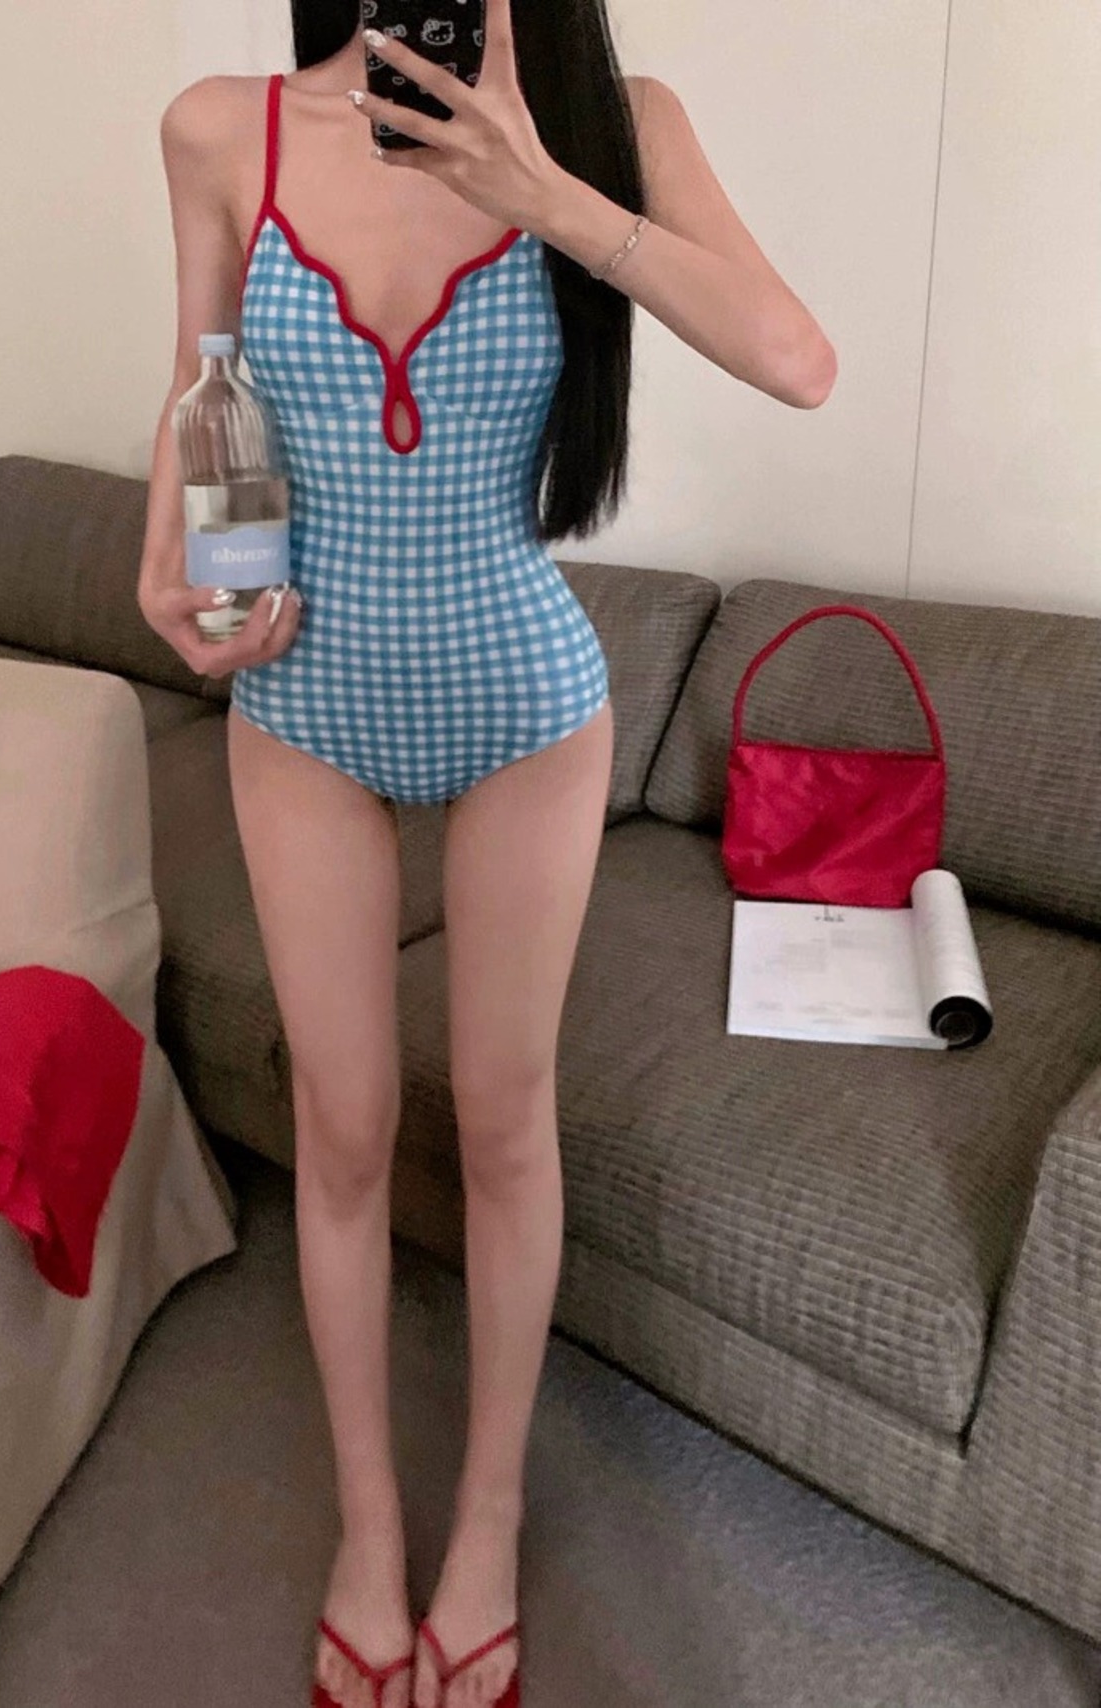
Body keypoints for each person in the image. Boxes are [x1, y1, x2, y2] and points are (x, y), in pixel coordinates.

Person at [138, 1, 836, 1701]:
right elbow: (203, 384)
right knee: (343, 1130)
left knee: (506, 1125)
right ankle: (373, 1527)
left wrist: (548, 197)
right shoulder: (222, 127)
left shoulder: (615, 122)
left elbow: (799, 360)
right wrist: (169, 559)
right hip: (301, 703)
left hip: (525, 703)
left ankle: (492, 1518)